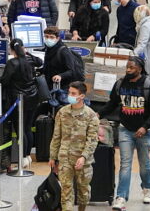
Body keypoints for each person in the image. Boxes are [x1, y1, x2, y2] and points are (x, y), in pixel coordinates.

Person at [99, 56, 150, 209]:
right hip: (125, 129)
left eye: (131, 68)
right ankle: (121, 197)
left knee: (144, 164)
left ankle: (147, 189)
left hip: (144, 131)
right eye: (127, 67)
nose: (128, 70)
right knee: (125, 164)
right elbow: (112, 103)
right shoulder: (120, 84)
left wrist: (145, 127)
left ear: (139, 69)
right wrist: (99, 114)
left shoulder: (148, 85)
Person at [49, 81, 99, 211]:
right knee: (66, 192)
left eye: (73, 93)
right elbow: (56, 136)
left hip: (83, 160)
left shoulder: (91, 115)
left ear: (81, 96)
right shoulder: (62, 113)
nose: (69, 96)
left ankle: (82, 208)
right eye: (69, 92)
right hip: (65, 158)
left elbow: (92, 140)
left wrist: (83, 157)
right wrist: (53, 157)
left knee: (83, 192)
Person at [0, 39, 41, 168]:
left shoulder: (12, 63)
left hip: (19, 99)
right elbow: (40, 62)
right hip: (33, 97)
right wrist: (28, 53)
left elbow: (5, 80)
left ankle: (22, 159)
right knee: (28, 127)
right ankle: (28, 156)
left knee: (20, 129)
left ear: (12, 50)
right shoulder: (29, 60)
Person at [41, 26, 83, 90]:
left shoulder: (63, 51)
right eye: (46, 37)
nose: (48, 39)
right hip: (50, 84)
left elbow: (71, 71)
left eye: (51, 37)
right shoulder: (48, 49)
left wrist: (60, 76)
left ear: (58, 38)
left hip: (62, 87)